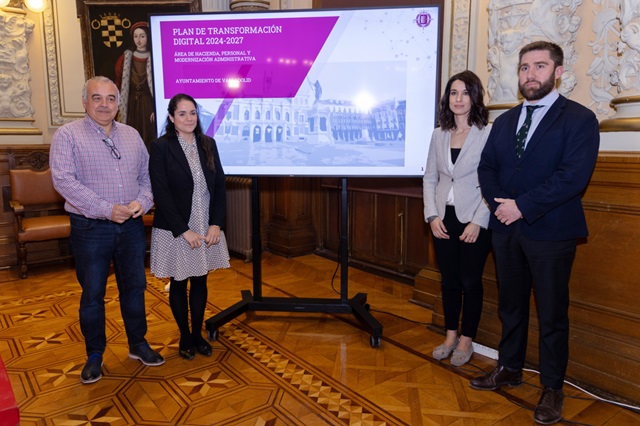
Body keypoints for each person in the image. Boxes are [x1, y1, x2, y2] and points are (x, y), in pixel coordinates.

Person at [472, 41, 600, 425]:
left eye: (540, 66)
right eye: (525, 67)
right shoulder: (504, 121)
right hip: (506, 230)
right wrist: (501, 205)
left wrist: (522, 206)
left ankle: (552, 387)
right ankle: (509, 368)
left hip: (552, 233)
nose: (530, 74)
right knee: (510, 305)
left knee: (551, 314)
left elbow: (572, 178)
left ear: (558, 72)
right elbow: (487, 167)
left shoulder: (579, 119)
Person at [50, 76, 165, 385]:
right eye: (97, 98)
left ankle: (138, 344)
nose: (104, 104)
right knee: (93, 294)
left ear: (118, 103)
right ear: (84, 102)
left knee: (135, 288)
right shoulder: (67, 135)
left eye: (111, 98)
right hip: (90, 227)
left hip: (131, 226)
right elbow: (63, 180)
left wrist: (143, 202)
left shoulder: (132, 135)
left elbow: (148, 176)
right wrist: (106, 209)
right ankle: (94, 355)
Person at [149, 93, 230, 360]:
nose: (189, 118)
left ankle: (197, 335)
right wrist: (184, 231)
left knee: (200, 279)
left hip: (205, 223)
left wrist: (216, 223)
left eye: (192, 113)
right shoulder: (161, 147)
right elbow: (161, 193)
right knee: (179, 280)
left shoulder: (208, 143)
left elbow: (219, 187)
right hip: (176, 227)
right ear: (172, 118)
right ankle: (184, 336)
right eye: (182, 113)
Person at [423, 70, 492, 367]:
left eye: (465, 93)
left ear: (474, 97)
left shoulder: (487, 134)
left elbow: (493, 181)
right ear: (447, 98)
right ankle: (450, 335)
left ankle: (467, 340)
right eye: (453, 93)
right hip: (443, 218)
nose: (459, 99)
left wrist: (479, 220)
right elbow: (430, 178)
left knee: (470, 282)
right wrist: (431, 215)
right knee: (449, 281)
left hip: (474, 219)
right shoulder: (438, 134)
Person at [115, 21, 155, 150]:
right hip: (131, 104)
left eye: (142, 36)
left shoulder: (155, 57)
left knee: (149, 135)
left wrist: (156, 108)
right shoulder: (125, 58)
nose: (139, 40)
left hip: (148, 104)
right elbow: (118, 83)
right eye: (136, 36)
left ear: (148, 37)